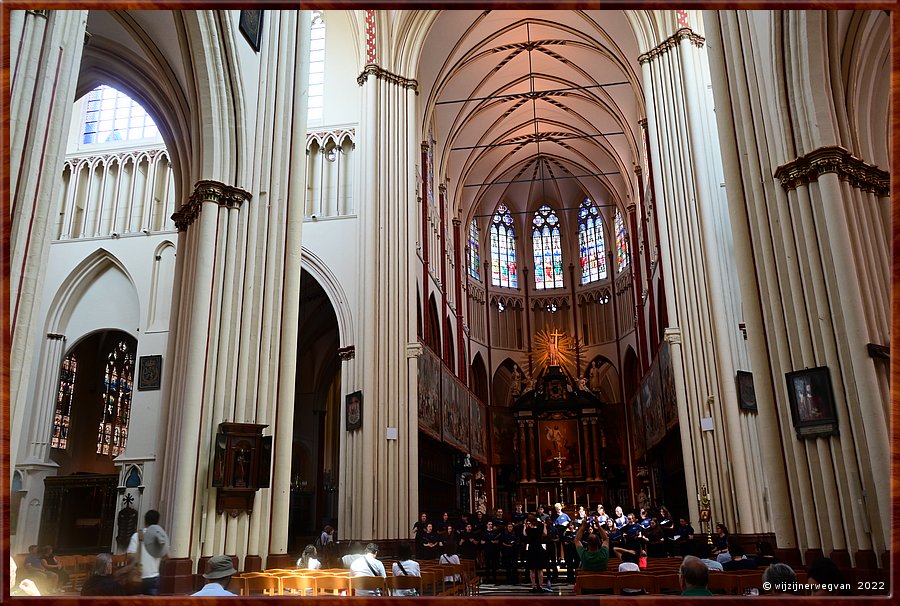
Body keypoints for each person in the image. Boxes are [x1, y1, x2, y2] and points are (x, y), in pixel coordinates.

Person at [126, 509, 169, 595]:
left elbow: (130, 555)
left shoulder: (137, 536)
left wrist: (141, 556)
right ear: (157, 522)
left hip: (138, 576)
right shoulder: (160, 537)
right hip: (154, 577)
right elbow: (167, 556)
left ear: (145, 521)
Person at [522, 514, 551, 593]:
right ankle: (541, 586)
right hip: (539, 548)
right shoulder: (539, 529)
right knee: (540, 569)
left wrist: (525, 525)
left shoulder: (528, 530)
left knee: (532, 570)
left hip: (531, 549)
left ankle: (533, 586)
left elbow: (524, 534)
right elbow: (545, 533)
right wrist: (544, 525)